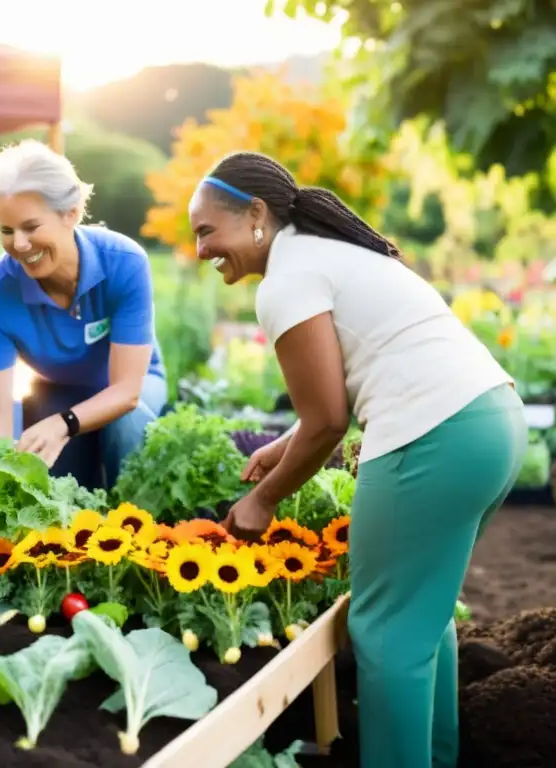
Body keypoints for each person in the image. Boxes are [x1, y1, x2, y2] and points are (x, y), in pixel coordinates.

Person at [187, 151, 526, 768]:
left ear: (256, 215)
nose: (202, 249)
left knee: (386, 634)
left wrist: (263, 500)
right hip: (492, 424)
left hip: (433, 438)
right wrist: (283, 444)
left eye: (208, 230)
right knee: (421, 617)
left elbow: (327, 424)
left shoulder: (286, 281)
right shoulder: (329, 253)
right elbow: (333, 401)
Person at [0, 139, 167, 490]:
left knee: (127, 423)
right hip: (56, 391)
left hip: (129, 385)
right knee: (57, 493)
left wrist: (65, 423)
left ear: (71, 212)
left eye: (31, 227)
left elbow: (127, 391)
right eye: (7, 231)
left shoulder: (125, 262)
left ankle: (141, 532)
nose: (20, 245)